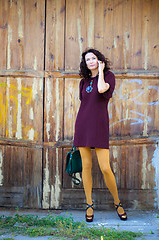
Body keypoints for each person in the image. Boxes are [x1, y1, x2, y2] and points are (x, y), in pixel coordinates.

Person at [73, 48, 127, 222]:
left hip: (99, 126)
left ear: (99, 60)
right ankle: (89, 204)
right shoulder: (84, 82)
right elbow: (85, 104)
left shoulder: (108, 76)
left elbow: (103, 89)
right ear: (85, 63)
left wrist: (101, 71)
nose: (90, 61)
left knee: (105, 167)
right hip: (82, 125)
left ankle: (117, 203)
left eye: (93, 58)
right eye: (87, 59)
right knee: (86, 166)